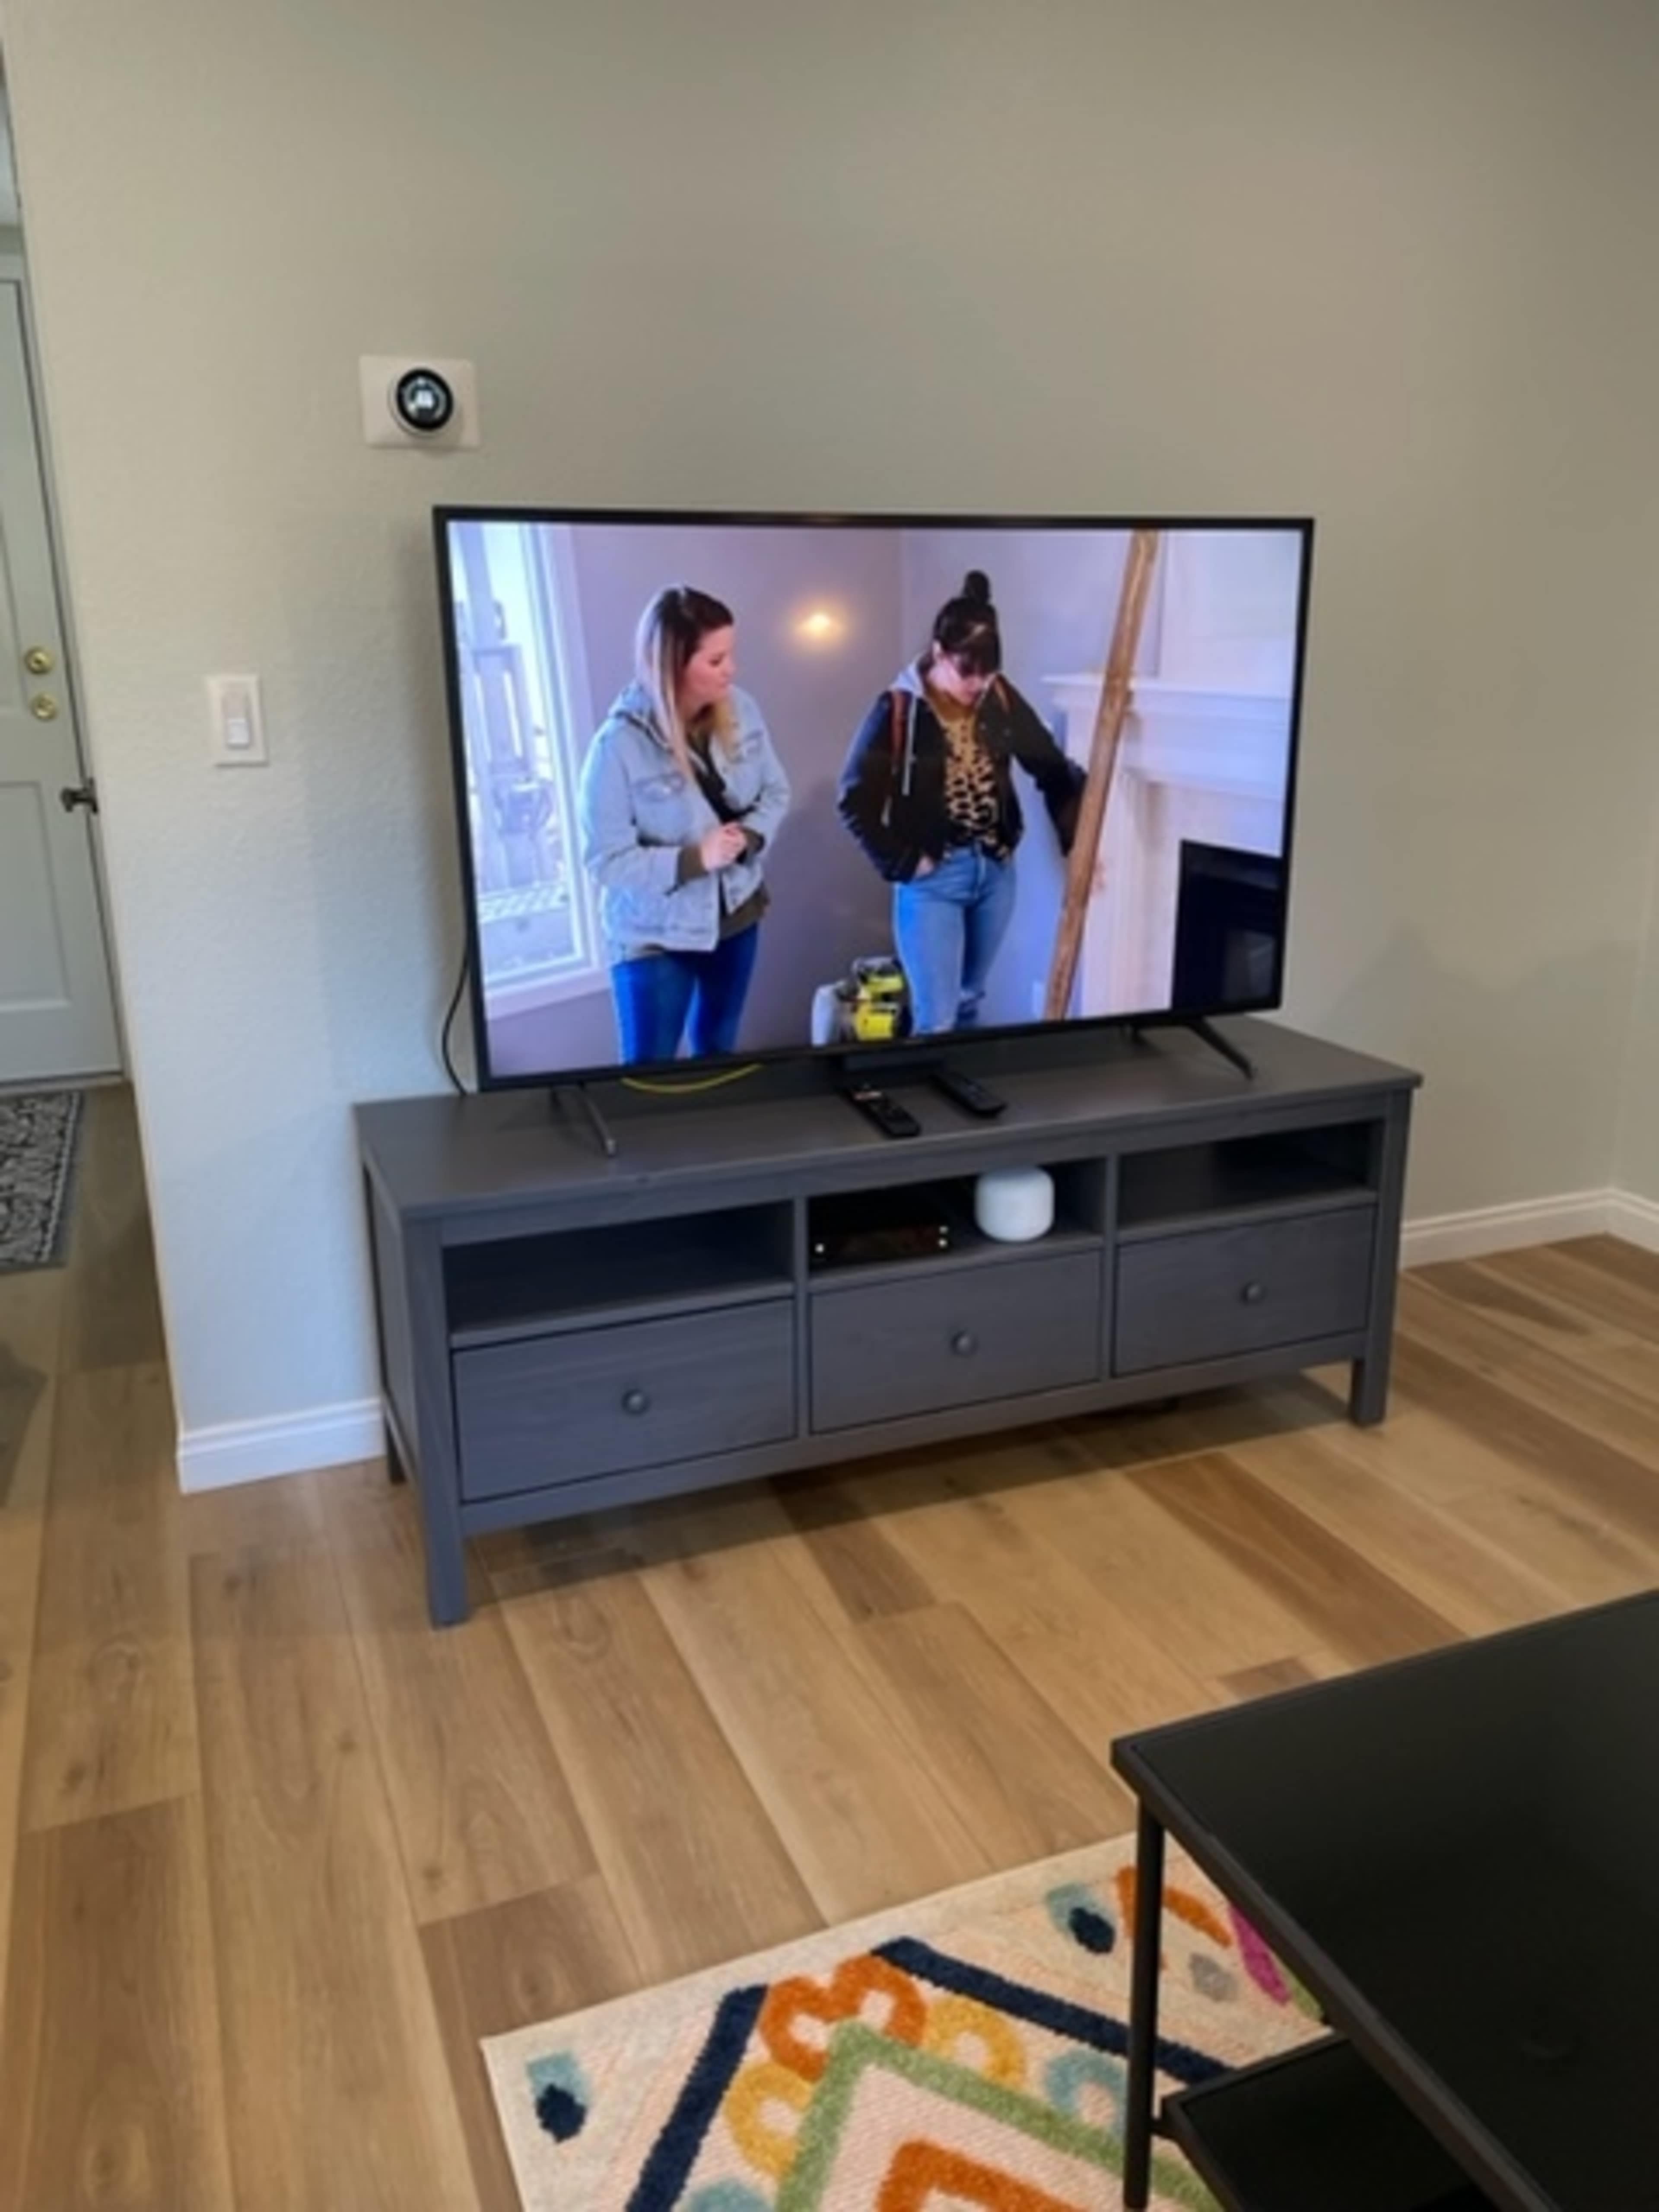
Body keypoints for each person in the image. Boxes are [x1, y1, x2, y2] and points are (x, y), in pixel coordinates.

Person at [836, 570, 1085, 1034]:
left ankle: (963, 1098)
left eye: (987, 673)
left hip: (995, 870)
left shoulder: (999, 697)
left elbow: (1049, 766)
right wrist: (905, 862)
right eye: (965, 671)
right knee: (937, 1018)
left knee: (971, 999)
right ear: (938, 654)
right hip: (934, 878)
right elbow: (853, 800)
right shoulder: (899, 709)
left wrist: (1081, 842)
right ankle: (925, 1101)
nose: (977, 684)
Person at [578, 585, 790, 1063]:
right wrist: (696, 859)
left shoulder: (744, 709)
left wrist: (752, 835)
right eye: (715, 661)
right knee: (648, 1072)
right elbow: (606, 861)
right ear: (673, 665)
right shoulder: (616, 748)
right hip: (654, 932)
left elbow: (777, 791)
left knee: (718, 1052)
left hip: (737, 915)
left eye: (731, 654)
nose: (731, 670)